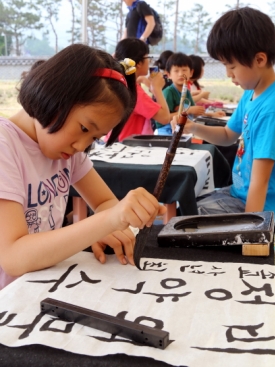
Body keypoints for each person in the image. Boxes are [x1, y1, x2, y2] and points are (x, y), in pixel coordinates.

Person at [0, 43, 166, 290]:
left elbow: (104, 203)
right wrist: (106, 222)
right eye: (85, 128)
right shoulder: (6, 145)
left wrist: (104, 227)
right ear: (53, 96)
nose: (82, 145)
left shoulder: (67, 149)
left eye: (94, 138)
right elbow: (13, 256)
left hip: (41, 286)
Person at [172, 7, 275, 215]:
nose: (228, 74)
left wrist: (250, 233)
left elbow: (260, 181)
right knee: (183, 207)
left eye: (232, 66)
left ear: (259, 60)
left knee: (184, 220)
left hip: (260, 208)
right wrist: (193, 127)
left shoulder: (271, 110)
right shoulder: (251, 93)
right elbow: (229, 135)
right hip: (238, 193)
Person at [113, 38, 170, 141]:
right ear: (139, 63)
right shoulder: (134, 92)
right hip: (127, 146)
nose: (149, 62)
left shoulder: (121, 83)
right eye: (148, 57)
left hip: (118, 142)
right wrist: (156, 88)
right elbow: (165, 118)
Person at [155, 52, 225, 135]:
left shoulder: (187, 91)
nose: (181, 74)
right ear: (168, 74)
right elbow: (164, 119)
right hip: (167, 132)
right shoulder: (168, 92)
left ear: (191, 73)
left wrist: (212, 115)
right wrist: (188, 110)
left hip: (184, 130)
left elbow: (194, 113)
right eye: (176, 71)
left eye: (184, 70)